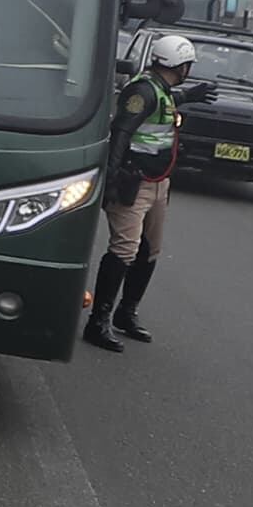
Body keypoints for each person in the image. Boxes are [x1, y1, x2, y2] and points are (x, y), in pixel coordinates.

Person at [90, 29, 195, 347]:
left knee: (150, 250)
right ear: (181, 65)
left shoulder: (161, 91)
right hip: (133, 182)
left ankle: (127, 313)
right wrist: (110, 179)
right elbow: (121, 132)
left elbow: (164, 103)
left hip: (158, 182)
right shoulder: (142, 91)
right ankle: (98, 322)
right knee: (125, 250)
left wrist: (191, 96)